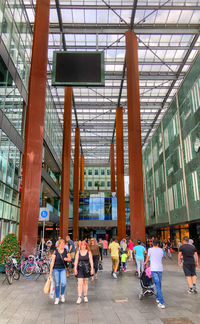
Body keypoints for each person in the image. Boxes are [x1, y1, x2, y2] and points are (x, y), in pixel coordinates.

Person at [49, 238, 71, 304]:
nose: (63, 245)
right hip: (56, 269)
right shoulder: (55, 251)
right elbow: (52, 262)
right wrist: (50, 272)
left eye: (64, 244)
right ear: (59, 244)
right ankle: (57, 297)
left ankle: (62, 294)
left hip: (63, 269)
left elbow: (70, 259)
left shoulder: (66, 251)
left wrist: (66, 259)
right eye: (61, 244)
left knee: (63, 283)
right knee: (57, 284)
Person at [144, 240, 165, 309]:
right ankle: (158, 298)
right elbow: (162, 257)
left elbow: (147, 258)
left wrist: (145, 263)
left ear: (152, 244)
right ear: (158, 244)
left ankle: (162, 302)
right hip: (160, 269)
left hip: (154, 269)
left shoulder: (150, 249)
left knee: (157, 285)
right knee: (159, 284)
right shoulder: (161, 250)